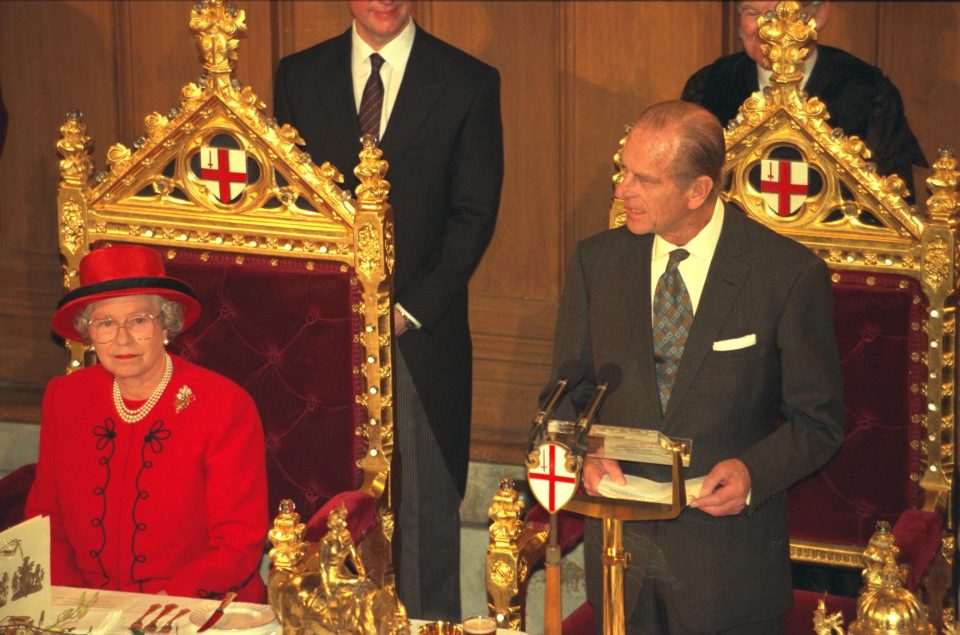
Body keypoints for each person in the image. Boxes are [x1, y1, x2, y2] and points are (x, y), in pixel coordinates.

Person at [550, 100, 844, 633]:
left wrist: (754, 473)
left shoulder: (786, 275)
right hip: (622, 565)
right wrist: (584, 456)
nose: (621, 191)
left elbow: (817, 422)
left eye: (643, 179)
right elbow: (566, 396)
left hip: (727, 573)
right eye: (623, 171)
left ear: (698, 190)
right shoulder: (597, 264)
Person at [273, 0, 503, 621]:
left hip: (418, 340)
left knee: (424, 509)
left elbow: (473, 214)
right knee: (326, 505)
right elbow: (288, 199)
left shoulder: (469, 82)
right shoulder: (297, 75)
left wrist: (404, 309)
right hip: (321, 337)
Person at [25, 244, 267, 601]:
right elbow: (46, 519)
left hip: (198, 606)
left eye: (139, 320)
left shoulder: (225, 406)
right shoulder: (65, 398)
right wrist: (73, 604)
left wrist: (158, 609)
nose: (122, 338)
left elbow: (237, 544)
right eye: (105, 323)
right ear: (89, 334)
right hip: (85, 608)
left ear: (166, 324)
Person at [682, 0, 927, 199]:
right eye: (752, 12)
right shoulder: (709, 85)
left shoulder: (869, 92)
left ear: (818, 15)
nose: (764, 28)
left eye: (779, 13)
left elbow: (894, 201)